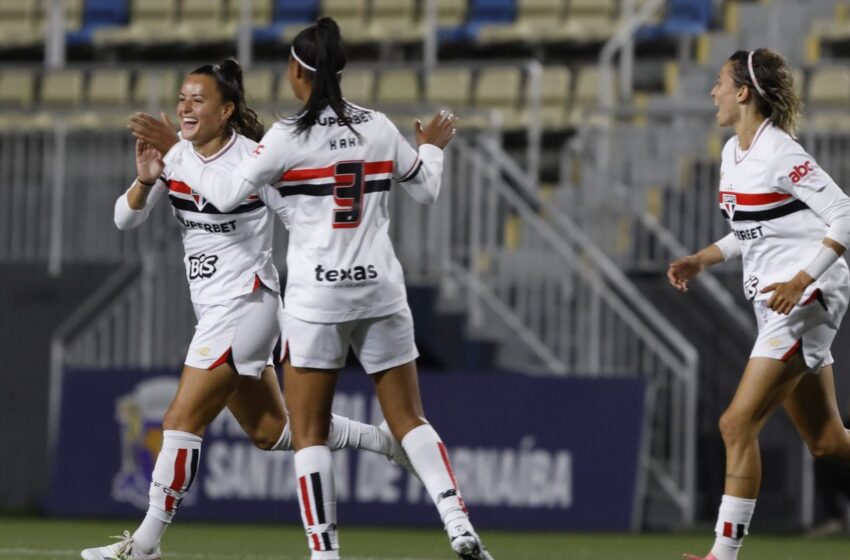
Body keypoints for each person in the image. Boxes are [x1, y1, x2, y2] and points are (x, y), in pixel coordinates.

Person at [129, 17, 493, 560]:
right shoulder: (376, 126)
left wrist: (175, 153)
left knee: (308, 433)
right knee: (409, 417)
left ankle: (324, 554)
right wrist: (432, 148)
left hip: (317, 298)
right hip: (380, 290)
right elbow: (427, 189)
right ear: (340, 70)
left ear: (298, 72)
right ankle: (459, 524)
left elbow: (226, 194)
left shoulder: (286, 136)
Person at [82, 58, 407, 560]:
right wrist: (146, 179)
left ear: (226, 110)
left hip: (249, 302)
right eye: (182, 99)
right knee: (271, 431)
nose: (185, 109)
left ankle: (144, 544)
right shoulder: (177, 157)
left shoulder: (255, 160)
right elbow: (125, 220)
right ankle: (384, 441)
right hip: (211, 310)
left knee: (180, 418)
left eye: (198, 100)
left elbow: (299, 218)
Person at [668, 48, 850, 560]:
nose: (713, 93)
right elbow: (751, 229)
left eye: (720, 83)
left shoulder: (780, 153)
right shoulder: (734, 153)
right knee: (827, 442)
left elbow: (843, 214)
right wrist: (703, 258)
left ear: (743, 92)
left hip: (808, 295)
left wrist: (801, 279)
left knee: (735, 423)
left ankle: (722, 557)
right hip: (778, 300)